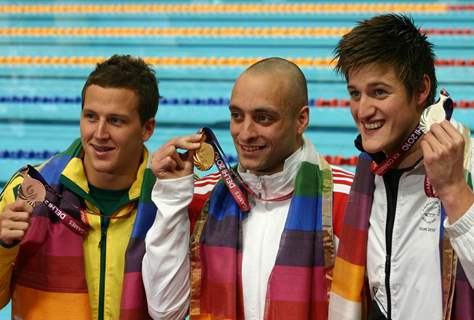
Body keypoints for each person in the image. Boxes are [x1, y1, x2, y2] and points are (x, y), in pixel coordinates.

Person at [142, 57, 354, 319]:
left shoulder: (344, 201)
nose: (245, 133)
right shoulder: (204, 200)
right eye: (237, 116)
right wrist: (172, 196)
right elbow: (165, 309)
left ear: (301, 120)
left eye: (263, 118)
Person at [328, 14, 474, 320]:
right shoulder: (367, 175)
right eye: (355, 93)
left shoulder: (469, 166)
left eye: (379, 92)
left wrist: (454, 191)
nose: (363, 110)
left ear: (421, 90)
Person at [0, 54, 160, 320]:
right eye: (91, 117)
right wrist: (3, 245)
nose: (99, 134)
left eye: (116, 120)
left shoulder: (166, 203)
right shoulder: (29, 189)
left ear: (147, 129)